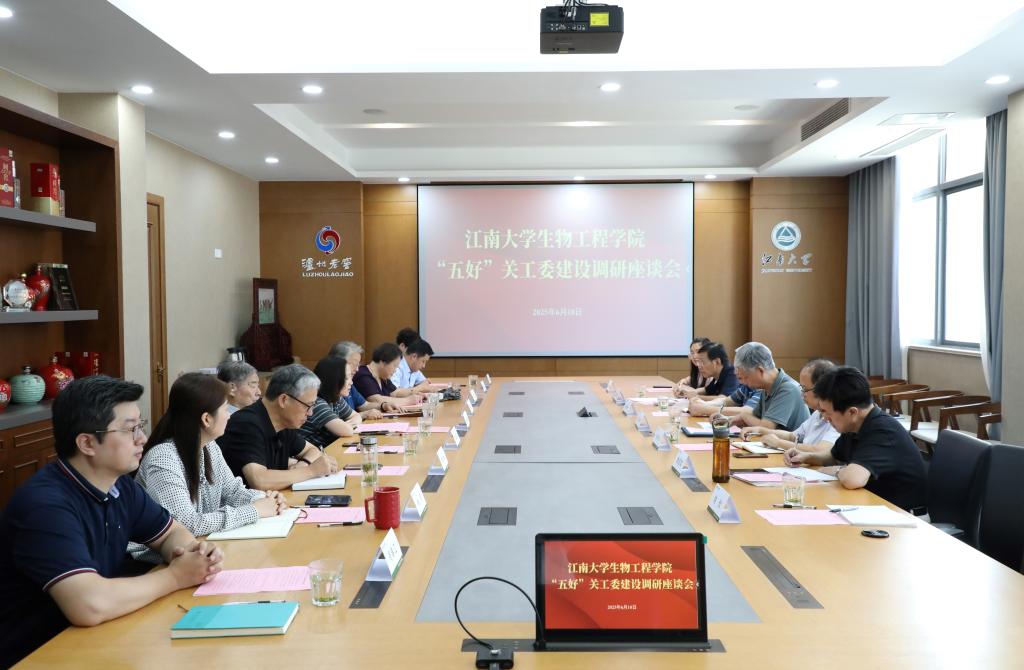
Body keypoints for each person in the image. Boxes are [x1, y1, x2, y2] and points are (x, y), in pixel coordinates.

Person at [0, 376, 223, 668]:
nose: (142, 438)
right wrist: (176, 576)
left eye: (141, 425)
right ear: (87, 443)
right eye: (130, 429)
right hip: (37, 654)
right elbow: (89, 605)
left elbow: (172, 532)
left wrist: (194, 552)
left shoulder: (119, 486)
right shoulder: (45, 506)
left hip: (99, 638)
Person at [130, 373, 288, 563]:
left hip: (202, 548)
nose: (229, 415)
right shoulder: (163, 458)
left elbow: (233, 491)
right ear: (206, 419)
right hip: (154, 562)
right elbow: (186, 524)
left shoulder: (209, 446)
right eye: (225, 409)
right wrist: (254, 510)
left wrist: (265, 499)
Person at [785, 366, 927, 511]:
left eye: (828, 413)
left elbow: (852, 479)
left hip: (902, 514)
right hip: (874, 504)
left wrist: (838, 470)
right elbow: (833, 456)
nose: (825, 418)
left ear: (852, 412)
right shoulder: (854, 424)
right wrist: (806, 457)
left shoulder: (883, 431)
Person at [218, 364, 339, 490]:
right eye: (308, 406)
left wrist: (304, 464)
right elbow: (259, 481)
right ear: (284, 400)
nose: (310, 413)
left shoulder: (283, 423)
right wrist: (311, 471)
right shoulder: (246, 423)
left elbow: (312, 450)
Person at [740, 358, 840, 453]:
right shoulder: (817, 414)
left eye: (804, 388)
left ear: (821, 389)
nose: (802, 393)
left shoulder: (837, 417)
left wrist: (779, 443)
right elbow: (792, 436)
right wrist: (760, 430)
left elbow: (820, 451)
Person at [729, 342, 809, 431]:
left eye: (746, 377)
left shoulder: (788, 389)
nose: (743, 382)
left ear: (760, 370)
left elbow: (766, 428)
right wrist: (731, 420)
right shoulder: (766, 388)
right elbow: (755, 417)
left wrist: (744, 415)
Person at [297, 356, 362, 448]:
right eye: (347, 378)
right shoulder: (316, 403)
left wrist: (346, 425)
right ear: (334, 380)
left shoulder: (336, 398)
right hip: (309, 454)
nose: (351, 382)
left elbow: (356, 416)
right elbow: (347, 431)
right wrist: (346, 426)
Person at [328, 341, 398, 419]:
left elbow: (364, 405)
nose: (357, 369)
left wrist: (383, 405)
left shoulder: (349, 385)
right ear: (337, 362)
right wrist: (363, 415)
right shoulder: (329, 392)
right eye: (353, 365)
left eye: (358, 365)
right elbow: (337, 422)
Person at [353, 343, 423, 407]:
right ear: (383, 362)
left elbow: (395, 393)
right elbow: (376, 400)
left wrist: (414, 393)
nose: (395, 370)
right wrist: (408, 401)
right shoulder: (363, 375)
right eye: (394, 366)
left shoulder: (383, 377)